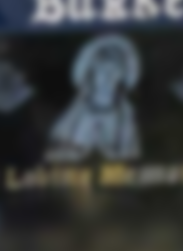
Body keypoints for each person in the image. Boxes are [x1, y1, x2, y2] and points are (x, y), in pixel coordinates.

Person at [46, 34, 141, 162]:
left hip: (110, 113)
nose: (107, 76)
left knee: (116, 151)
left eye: (113, 71)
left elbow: (130, 68)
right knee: (74, 147)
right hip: (91, 111)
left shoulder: (122, 80)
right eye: (103, 71)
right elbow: (85, 62)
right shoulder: (91, 71)